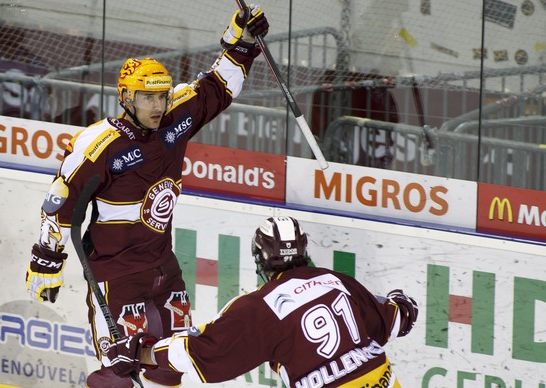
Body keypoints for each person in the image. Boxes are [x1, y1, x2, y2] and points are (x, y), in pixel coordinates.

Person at [24, 5, 269, 388]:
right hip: (116, 278)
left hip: (163, 269)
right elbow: (60, 202)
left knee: (174, 370)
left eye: (162, 96)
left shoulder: (175, 118)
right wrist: (46, 261)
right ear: (126, 97)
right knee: (123, 374)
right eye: (147, 97)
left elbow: (218, 88)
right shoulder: (98, 145)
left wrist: (242, 40)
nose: (158, 105)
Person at [107, 216, 419, 387]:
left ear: (262, 259)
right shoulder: (336, 281)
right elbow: (395, 321)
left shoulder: (260, 307)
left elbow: (201, 352)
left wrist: (141, 353)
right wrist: (401, 303)